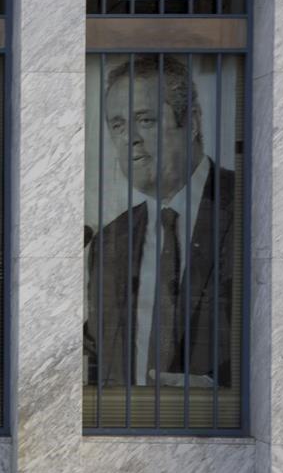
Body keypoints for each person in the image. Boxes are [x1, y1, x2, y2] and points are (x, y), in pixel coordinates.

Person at [85, 54, 234, 387]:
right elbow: (100, 358)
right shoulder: (110, 241)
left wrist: (222, 390)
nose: (130, 138)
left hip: (210, 427)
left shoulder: (248, 209)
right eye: (118, 125)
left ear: (192, 122)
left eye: (146, 120)